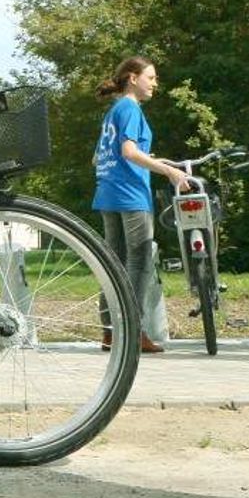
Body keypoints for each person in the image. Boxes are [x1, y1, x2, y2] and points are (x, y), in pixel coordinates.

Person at [92, 56, 189, 354]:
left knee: (115, 263)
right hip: (130, 195)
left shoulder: (113, 111)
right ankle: (132, 331)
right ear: (133, 78)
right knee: (140, 261)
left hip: (107, 193)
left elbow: (97, 159)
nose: (155, 84)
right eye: (151, 77)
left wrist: (151, 159)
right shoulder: (130, 108)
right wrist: (169, 171)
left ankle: (110, 332)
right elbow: (130, 152)